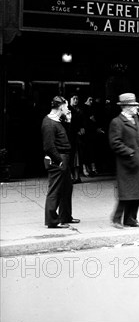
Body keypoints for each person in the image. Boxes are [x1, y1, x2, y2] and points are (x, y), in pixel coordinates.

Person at [108, 93, 139, 228]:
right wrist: (130, 153)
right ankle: (116, 219)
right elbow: (115, 143)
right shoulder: (117, 122)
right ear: (126, 107)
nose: (136, 108)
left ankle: (131, 219)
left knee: (137, 192)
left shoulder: (135, 119)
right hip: (127, 163)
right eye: (133, 106)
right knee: (126, 193)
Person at [41, 96, 79, 229]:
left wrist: (68, 121)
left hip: (63, 159)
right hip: (57, 160)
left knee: (67, 188)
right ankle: (52, 220)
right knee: (55, 190)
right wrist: (60, 161)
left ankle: (65, 216)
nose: (68, 109)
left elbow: (65, 138)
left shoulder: (57, 121)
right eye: (66, 106)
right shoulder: (49, 123)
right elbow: (49, 147)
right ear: (61, 107)